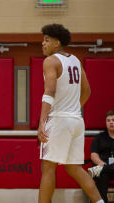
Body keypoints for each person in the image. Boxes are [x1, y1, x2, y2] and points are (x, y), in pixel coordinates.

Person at [37, 23, 104, 203]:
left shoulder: (50, 61)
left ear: (57, 43)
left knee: (48, 168)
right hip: (76, 121)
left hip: (59, 120)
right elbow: (87, 91)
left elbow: (49, 92)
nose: (43, 44)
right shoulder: (75, 60)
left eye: (47, 40)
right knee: (74, 168)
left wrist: (42, 121)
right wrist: (74, 108)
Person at [89, 110, 114, 202]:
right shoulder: (99, 138)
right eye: (108, 120)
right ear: (106, 122)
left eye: (113, 120)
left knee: (102, 170)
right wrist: (101, 164)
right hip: (103, 167)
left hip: (108, 168)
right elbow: (93, 155)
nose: (111, 122)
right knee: (102, 175)